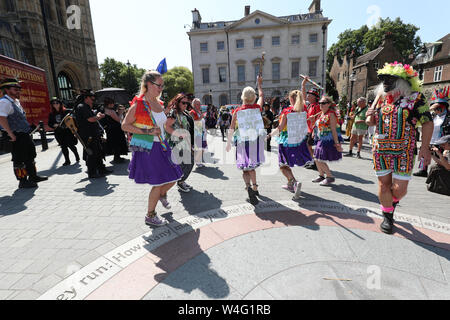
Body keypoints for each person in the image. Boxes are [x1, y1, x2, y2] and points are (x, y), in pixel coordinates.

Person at [365, 62, 433, 234]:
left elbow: (427, 122)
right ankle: (387, 215)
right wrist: (369, 118)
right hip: (380, 149)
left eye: (389, 78)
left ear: (402, 80)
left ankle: (390, 202)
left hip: (405, 150)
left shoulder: (416, 98)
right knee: (383, 186)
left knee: (400, 190)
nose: (385, 82)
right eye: (383, 79)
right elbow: (369, 121)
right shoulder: (380, 97)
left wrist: (425, 148)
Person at [122, 71, 183, 227]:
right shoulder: (139, 104)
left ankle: (162, 194)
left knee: (176, 175)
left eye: (162, 85)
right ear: (148, 84)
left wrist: (176, 132)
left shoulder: (159, 104)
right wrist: (147, 131)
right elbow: (125, 126)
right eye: (159, 85)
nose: (161, 88)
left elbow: (163, 126)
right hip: (148, 147)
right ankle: (150, 214)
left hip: (163, 145)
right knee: (158, 182)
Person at [0, 78, 48, 188]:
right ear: (7, 90)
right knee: (19, 158)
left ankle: (33, 176)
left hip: (24, 134)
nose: (18, 91)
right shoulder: (4, 102)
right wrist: (10, 134)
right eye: (15, 89)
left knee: (30, 155)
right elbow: (2, 119)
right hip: (16, 135)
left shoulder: (15, 101)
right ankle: (22, 181)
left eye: (19, 89)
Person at [226, 75, 265, 205]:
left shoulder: (237, 111)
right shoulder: (257, 108)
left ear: (242, 97)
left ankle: (248, 187)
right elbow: (262, 96)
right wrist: (259, 84)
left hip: (242, 142)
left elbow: (231, 127)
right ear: (253, 97)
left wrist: (228, 143)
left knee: (245, 168)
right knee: (252, 167)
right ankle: (255, 187)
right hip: (254, 141)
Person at [268, 90, 311, 199]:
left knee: (282, 165)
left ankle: (294, 182)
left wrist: (270, 135)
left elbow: (280, 128)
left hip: (286, 141)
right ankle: (290, 184)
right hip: (298, 141)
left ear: (291, 99)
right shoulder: (304, 110)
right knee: (285, 164)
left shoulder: (287, 111)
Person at [74, 89, 112, 179]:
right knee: (91, 153)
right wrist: (98, 117)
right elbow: (90, 119)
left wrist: (97, 116)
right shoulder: (82, 106)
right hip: (88, 135)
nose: (93, 99)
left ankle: (101, 169)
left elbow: (92, 117)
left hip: (93, 133)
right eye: (92, 98)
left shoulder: (86, 106)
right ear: (86, 98)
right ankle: (92, 173)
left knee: (98, 151)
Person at [413, 86, 450, 177]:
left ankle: (442, 173)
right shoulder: (433, 115)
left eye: (438, 107)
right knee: (425, 154)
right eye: (435, 107)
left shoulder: (448, 116)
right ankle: (423, 170)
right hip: (430, 139)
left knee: (441, 159)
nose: (436, 109)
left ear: (444, 106)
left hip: (441, 140)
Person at [311, 95, 343, 186]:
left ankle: (329, 177)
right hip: (320, 138)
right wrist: (314, 131)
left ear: (329, 104)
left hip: (328, 140)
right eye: (320, 103)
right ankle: (321, 175)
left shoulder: (331, 114)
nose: (321, 104)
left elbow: (333, 129)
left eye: (324, 103)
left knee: (319, 158)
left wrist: (337, 143)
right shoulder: (321, 113)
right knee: (316, 157)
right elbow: (318, 125)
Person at [165, 93, 195, 193]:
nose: (185, 105)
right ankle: (180, 181)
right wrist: (178, 134)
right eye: (183, 103)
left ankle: (181, 181)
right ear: (177, 102)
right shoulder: (174, 113)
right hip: (176, 143)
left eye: (187, 103)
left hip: (184, 143)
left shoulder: (184, 113)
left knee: (187, 162)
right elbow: (167, 126)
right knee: (188, 162)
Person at [48, 97, 80, 166]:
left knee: (71, 145)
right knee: (63, 147)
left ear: (60, 104)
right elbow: (49, 123)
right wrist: (54, 125)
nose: (55, 104)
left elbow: (73, 119)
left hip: (67, 131)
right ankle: (67, 160)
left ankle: (77, 156)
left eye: (57, 103)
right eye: (54, 103)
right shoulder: (51, 114)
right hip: (59, 132)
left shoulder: (66, 111)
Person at [301, 77, 321, 171]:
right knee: (307, 146)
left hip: (314, 130)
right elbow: (303, 96)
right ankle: (313, 161)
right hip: (308, 129)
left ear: (315, 97)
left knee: (310, 146)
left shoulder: (318, 106)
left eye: (310, 95)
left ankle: (315, 162)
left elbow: (320, 118)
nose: (308, 96)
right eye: (308, 94)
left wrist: (314, 121)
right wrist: (303, 85)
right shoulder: (310, 105)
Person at [103, 97, 128, 164]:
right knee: (117, 143)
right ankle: (117, 158)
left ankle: (116, 157)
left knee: (113, 143)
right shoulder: (111, 111)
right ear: (109, 104)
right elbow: (118, 119)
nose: (113, 104)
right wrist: (120, 113)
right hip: (115, 129)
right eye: (112, 103)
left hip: (110, 129)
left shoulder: (105, 110)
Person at [190, 98, 208, 168]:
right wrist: (201, 117)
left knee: (202, 148)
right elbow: (193, 122)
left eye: (199, 104)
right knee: (199, 148)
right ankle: (197, 161)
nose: (199, 105)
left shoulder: (199, 112)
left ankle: (198, 160)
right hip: (197, 132)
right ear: (193, 105)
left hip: (202, 132)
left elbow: (202, 121)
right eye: (197, 104)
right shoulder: (192, 112)